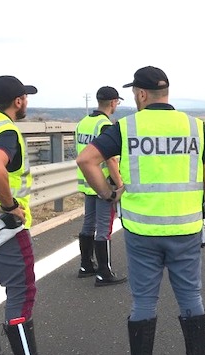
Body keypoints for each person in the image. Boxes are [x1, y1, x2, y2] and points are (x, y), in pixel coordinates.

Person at [76, 66, 205, 355]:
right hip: (185, 230)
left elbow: (86, 160)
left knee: (144, 300)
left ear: (141, 95)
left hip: (141, 231)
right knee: (190, 298)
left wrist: (108, 193)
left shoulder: (125, 128)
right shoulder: (195, 127)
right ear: (165, 93)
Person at [0, 75, 63, 355]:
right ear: (18, 101)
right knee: (21, 295)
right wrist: (11, 204)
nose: (26, 103)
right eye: (25, 98)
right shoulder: (5, 130)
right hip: (2, 227)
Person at [75, 86, 127, 286]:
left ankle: (86, 265)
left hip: (88, 183)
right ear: (114, 102)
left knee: (89, 224)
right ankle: (104, 273)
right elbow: (112, 160)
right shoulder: (105, 125)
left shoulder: (82, 123)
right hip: (103, 183)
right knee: (104, 228)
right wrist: (119, 185)